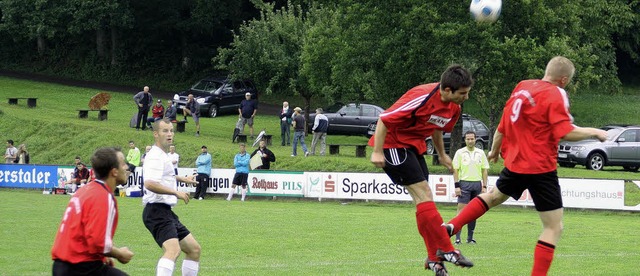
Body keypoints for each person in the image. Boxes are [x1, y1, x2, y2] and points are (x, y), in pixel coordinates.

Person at [444, 57, 608, 276]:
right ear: (564, 79)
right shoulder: (556, 93)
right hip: (541, 167)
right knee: (553, 227)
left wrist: (494, 150)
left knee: (493, 197)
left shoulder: (523, 87)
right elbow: (565, 131)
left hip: (516, 164)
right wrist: (594, 132)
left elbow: (503, 125)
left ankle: (452, 226)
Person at [369, 64, 475, 275]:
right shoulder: (422, 96)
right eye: (463, 93)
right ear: (447, 90)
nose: (466, 97)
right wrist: (377, 151)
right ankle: (447, 249)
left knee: (424, 200)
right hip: (393, 145)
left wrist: (442, 154)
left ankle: (434, 258)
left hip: (413, 146)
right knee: (424, 192)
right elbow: (384, 119)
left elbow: (436, 126)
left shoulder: (454, 108)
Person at [51, 147, 134, 276]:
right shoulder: (103, 196)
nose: (126, 167)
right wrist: (119, 254)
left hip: (62, 265)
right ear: (114, 172)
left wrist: (102, 256)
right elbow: (98, 242)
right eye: (123, 163)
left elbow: (84, 231)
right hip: (80, 267)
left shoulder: (85, 190)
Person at [142, 118, 200, 276]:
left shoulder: (163, 154)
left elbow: (166, 176)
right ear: (156, 134)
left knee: (194, 249)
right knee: (173, 250)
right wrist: (176, 192)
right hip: (156, 211)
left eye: (171, 131)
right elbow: (149, 183)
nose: (170, 134)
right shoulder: (155, 156)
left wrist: (183, 179)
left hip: (165, 212)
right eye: (165, 131)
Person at [451, 131, 489, 245]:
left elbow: (484, 170)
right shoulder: (460, 152)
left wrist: (485, 186)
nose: (470, 141)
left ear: (475, 139)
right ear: (465, 140)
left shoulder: (481, 153)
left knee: (474, 212)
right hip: (464, 184)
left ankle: (470, 238)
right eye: (468, 139)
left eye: (472, 139)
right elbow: (455, 169)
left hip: (477, 184)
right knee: (461, 211)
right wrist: (457, 186)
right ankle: (457, 238)